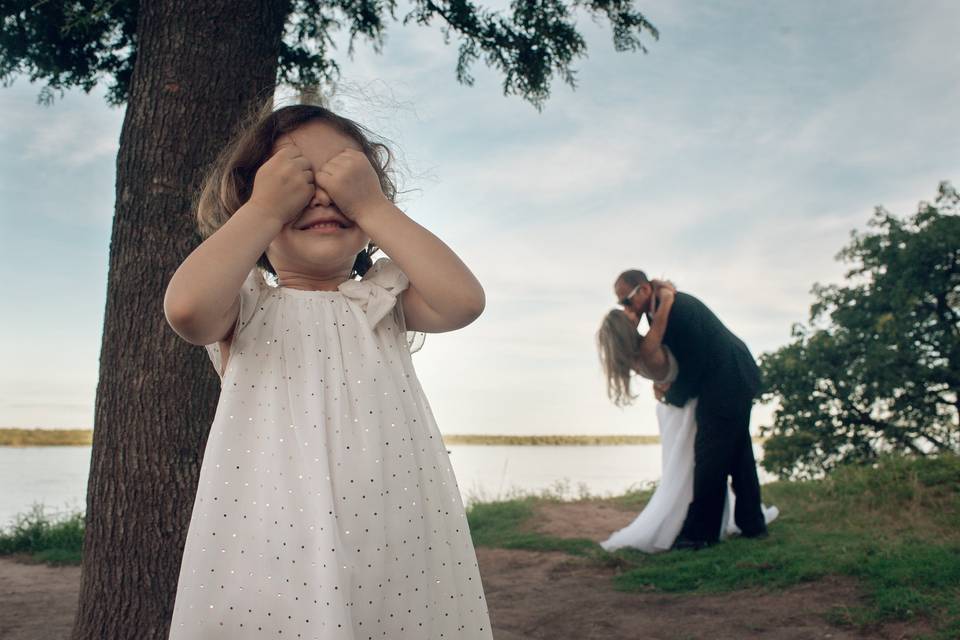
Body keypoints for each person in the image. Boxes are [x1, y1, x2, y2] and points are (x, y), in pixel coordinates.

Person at [163, 101, 492, 639]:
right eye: (294, 176)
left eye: (343, 174)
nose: (320, 192)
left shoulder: (381, 300)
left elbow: (465, 302)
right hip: (274, 543)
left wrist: (374, 207)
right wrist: (265, 209)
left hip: (394, 537)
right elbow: (186, 311)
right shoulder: (246, 304)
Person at [600, 274, 777, 552]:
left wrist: (670, 394)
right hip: (724, 381)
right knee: (738, 455)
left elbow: (694, 364)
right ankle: (752, 524)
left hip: (728, 380)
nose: (626, 308)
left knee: (711, 458)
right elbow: (652, 340)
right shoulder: (659, 310)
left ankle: (700, 534)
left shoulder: (678, 310)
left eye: (626, 300)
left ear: (644, 290)